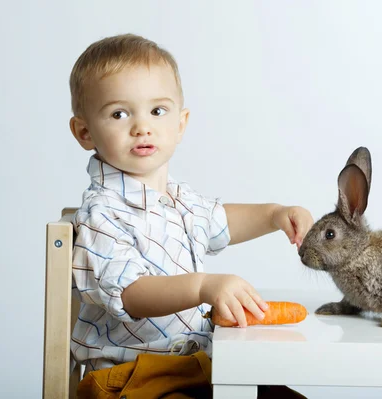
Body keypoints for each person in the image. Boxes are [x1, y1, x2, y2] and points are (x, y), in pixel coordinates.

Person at [68, 33, 313, 398]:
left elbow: (221, 222)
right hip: (135, 376)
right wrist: (203, 286)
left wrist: (275, 214)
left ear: (180, 124)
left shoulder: (179, 200)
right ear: (85, 131)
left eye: (157, 111)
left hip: (197, 365)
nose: (142, 126)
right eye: (119, 113)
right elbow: (132, 293)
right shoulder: (100, 214)